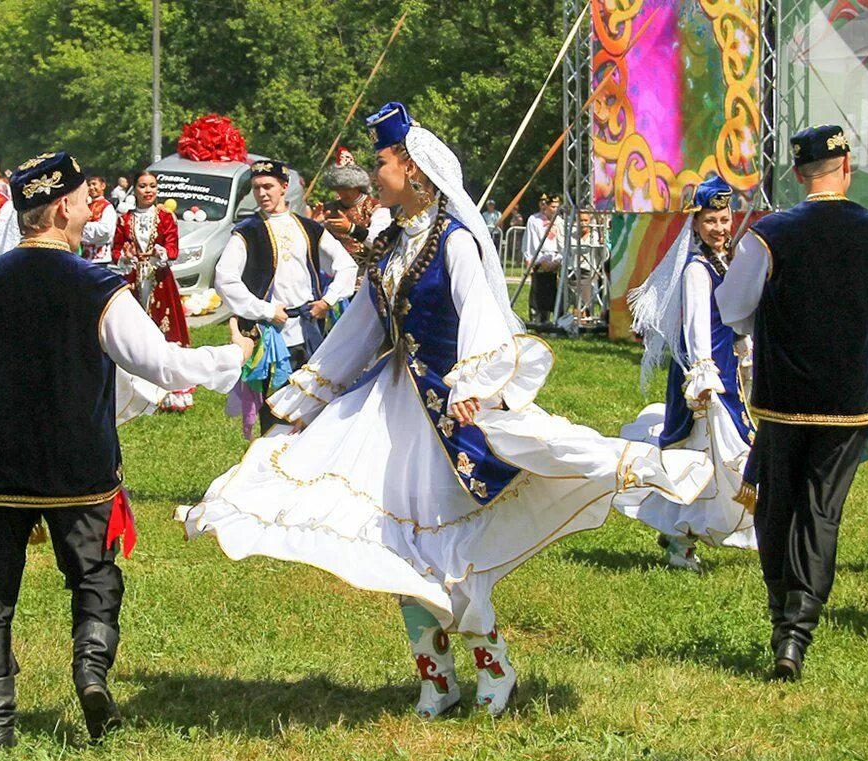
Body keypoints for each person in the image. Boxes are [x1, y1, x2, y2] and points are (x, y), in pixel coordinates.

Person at [186, 102, 707, 720]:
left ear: (415, 171)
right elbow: (360, 327)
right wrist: (313, 391)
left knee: (453, 553)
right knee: (395, 549)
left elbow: (483, 315)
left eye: (380, 163)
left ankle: (494, 667)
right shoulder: (386, 243)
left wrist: (473, 385)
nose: (372, 174)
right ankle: (436, 679)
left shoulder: (454, 241)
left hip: (448, 414)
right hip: (388, 410)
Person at [0, 151, 252, 748]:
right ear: (61, 207)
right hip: (78, 462)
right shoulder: (98, 287)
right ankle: (90, 672)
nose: (94, 207)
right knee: (93, 575)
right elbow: (160, 363)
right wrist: (232, 357)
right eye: (86, 200)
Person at [715, 125, 868, 681]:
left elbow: (734, 308)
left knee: (778, 503)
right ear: (846, 168)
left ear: (799, 174)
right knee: (822, 509)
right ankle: (797, 633)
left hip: (784, 396)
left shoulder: (770, 233)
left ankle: (783, 624)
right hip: (851, 400)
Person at [618, 175, 757, 572]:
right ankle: (682, 538)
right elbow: (696, 326)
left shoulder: (724, 261)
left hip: (725, 369)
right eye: (711, 221)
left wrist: (742, 350)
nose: (720, 228)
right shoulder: (697, 269)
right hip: (705, 379)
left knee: (718, 457)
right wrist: (703, 377)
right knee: (706, 457)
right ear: (695, 224)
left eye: (725, 219)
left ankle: (684, 532)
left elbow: (730, 318)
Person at [212, 158, 357, 434]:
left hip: (309, 329)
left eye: (268, 186)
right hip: (271, 337)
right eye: (256, 188)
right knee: (275, 407)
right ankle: (271, 462)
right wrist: (265, 310)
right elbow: (225, 278)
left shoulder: (309, 228)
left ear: (284, 187)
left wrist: (328, 300)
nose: (262, 193)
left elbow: (346, 265)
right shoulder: (247, 231)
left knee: (312, 401)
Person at [113, 170, 191, 410]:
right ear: (134, 189)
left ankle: (170, 390)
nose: (148, 191)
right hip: (135, 279)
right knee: (136, 332)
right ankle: (138, 389)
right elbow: (116, 249)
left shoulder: (166, 217)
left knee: (164, 330)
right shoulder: (125, 219)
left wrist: (162, 254)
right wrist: (124, 257)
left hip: (159, 279)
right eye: (143, 186)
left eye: (153, 186)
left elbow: (173, 247)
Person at [313, 147, 391, 274]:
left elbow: (380, 242)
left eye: (346, 188)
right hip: (331, 274)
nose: (342, 192)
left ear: (358, 186)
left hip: (365, 274)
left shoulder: (377, 208)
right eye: (338, 188)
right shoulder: (327, 210)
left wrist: (351, 229)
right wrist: (314, 226)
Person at [523, 194, 565, 326]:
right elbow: (531, 242)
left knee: (555, 290)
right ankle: (538, 317)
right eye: (552, 206)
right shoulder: (534, 220)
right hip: (540, 259)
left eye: (557, 207)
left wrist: (558, 261)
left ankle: (556, 318)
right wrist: (537, 260)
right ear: (545, 206)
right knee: (539, 289)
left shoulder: (560, 221)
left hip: (556, 259)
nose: (555, 209)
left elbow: (563, 243)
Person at [81, 175, 118, 268]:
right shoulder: (86, 206)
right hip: (85, 257)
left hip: (100, 258)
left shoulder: (107, 207)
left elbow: (105, 231)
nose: (91, 187)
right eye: (89, 185)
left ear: (103, 186)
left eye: (94, 184)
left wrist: (83, 227)